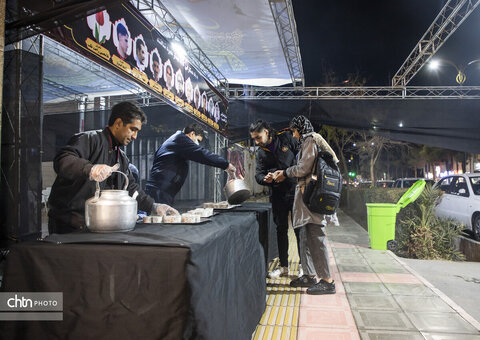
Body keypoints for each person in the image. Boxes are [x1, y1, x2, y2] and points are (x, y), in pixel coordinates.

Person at [47, 101, 178, 234]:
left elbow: (131, 188)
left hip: (97, 225)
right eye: (133, 129)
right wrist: (90, 169)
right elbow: (63, 160)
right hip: (69, 225)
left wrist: (153, 206)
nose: (135, 136)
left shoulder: (121, 157)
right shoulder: (90, 139)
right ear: (118, 123)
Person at [273, 115, 338, 295]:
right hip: (308, 196)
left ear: (301, 129)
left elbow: (303, 168)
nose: (293, 136)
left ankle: (327, 281)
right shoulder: (308, 141)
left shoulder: (310, 140)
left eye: (294, 131)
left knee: (317, 236)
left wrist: (285, 172)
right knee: (305, 235)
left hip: (313, 197)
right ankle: (309, 275)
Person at [250, 120, 300, 278]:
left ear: (266, 132)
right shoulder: (260, 153)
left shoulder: (286, 139)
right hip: (277, 194)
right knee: (281, 230)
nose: (256, 142)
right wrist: (265, 178)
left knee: (299, 229)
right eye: (254, 139)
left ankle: (304, 266)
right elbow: (258, 174)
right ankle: (284, 267)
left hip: (295, 190)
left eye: (258, 137)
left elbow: (301, 159)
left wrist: (287, 173)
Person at [145, 123, 236, 205]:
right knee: (158, 221)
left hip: (160, 189)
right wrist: (226, 165)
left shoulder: (174, 140)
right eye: (198, 140)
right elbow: (202, 154)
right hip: (160, 190)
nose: (197, 144)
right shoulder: (180, 139)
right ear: (192, 134)